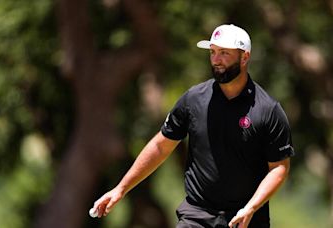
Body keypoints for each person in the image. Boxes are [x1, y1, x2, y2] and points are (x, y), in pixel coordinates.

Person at [92, 24, 294, 228]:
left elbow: (278, 168)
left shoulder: (268, 110)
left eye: (224, 53)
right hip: (197, 216)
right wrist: (121, 189)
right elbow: (161, 146)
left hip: (247, 219)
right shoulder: (193, 100)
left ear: (244, 57)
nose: (216, 60)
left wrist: (251, 207)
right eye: (213, 52)